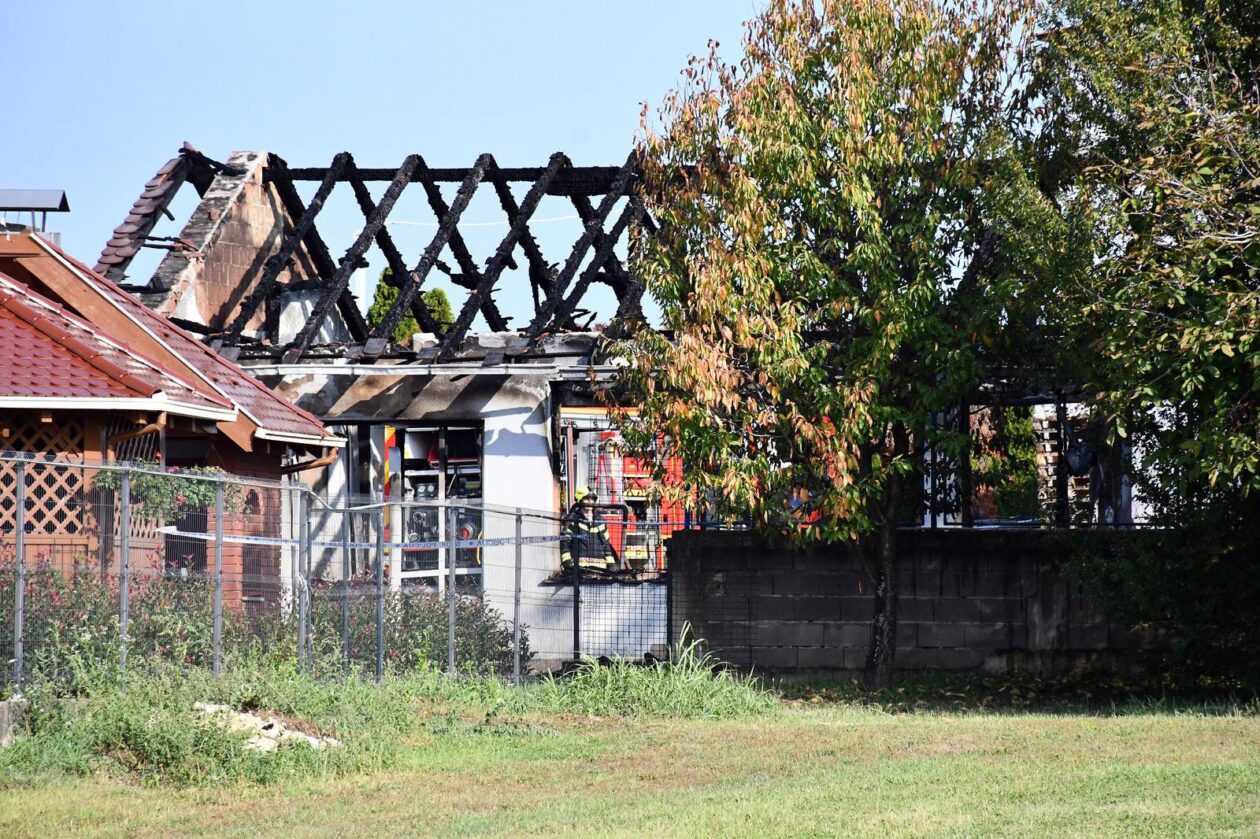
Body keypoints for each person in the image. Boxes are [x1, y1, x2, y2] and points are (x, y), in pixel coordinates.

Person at [560, 486, 618, 572]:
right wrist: (566, 561)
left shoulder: (600, 520)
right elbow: (565, 542)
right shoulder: (572, 519)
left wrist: (611, 564)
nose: (590, 502)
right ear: (580, 500)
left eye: (592, 499)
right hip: (579, 569)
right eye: (587, 499)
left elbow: (606, 545)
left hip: (600, 570)